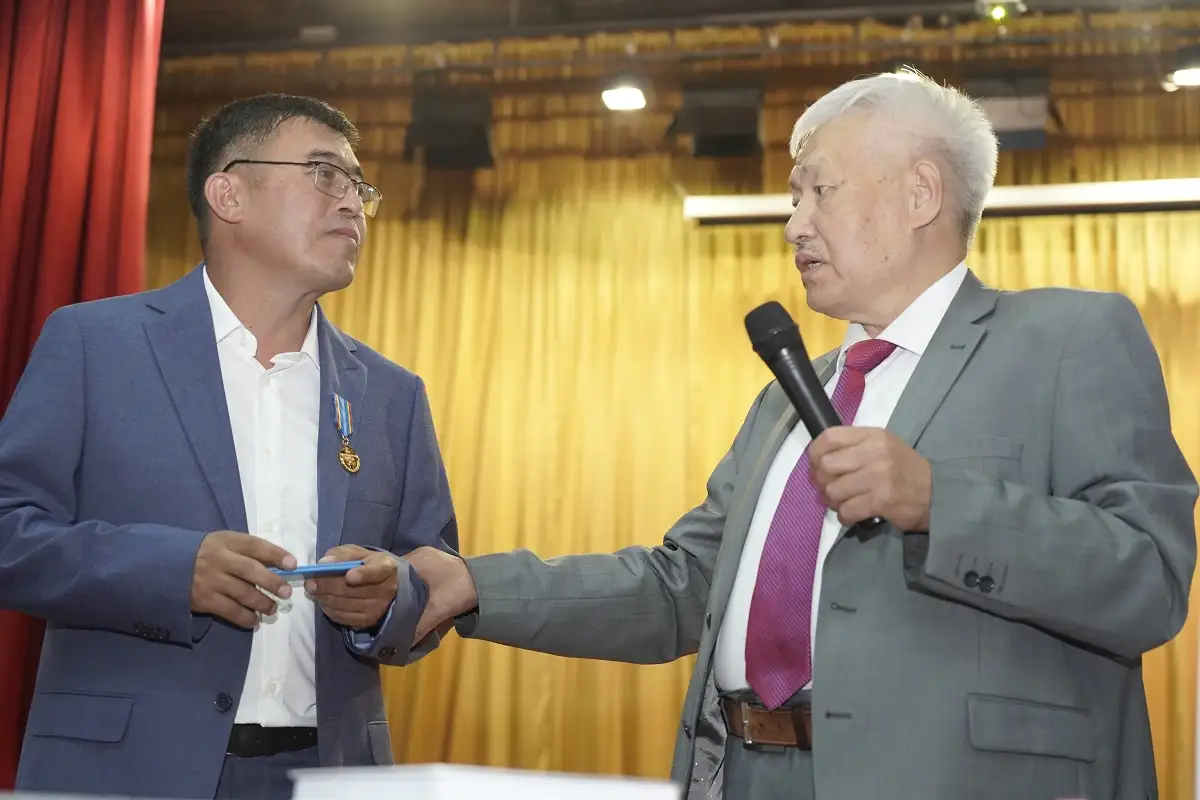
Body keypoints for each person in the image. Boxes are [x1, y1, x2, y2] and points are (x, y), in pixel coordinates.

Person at [402, 70, 1198, 800]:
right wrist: (475, 585)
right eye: (794, 199)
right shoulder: (789, 396)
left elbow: (1150, 581)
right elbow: (684, 586)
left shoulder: (1066, 340)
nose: (794, 225)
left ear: (921, 193)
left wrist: (939, 502)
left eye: (819, 191)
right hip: (746, 774)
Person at [0, 94, 458, 799]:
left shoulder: (392, 394)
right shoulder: (95, 345)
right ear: (228, 195)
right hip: (126, 772)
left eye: (359, 186)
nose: (353, 203)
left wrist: (391, 595)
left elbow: (433, 571)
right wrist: (171, 572)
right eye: (325, 174)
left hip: (327, 772)